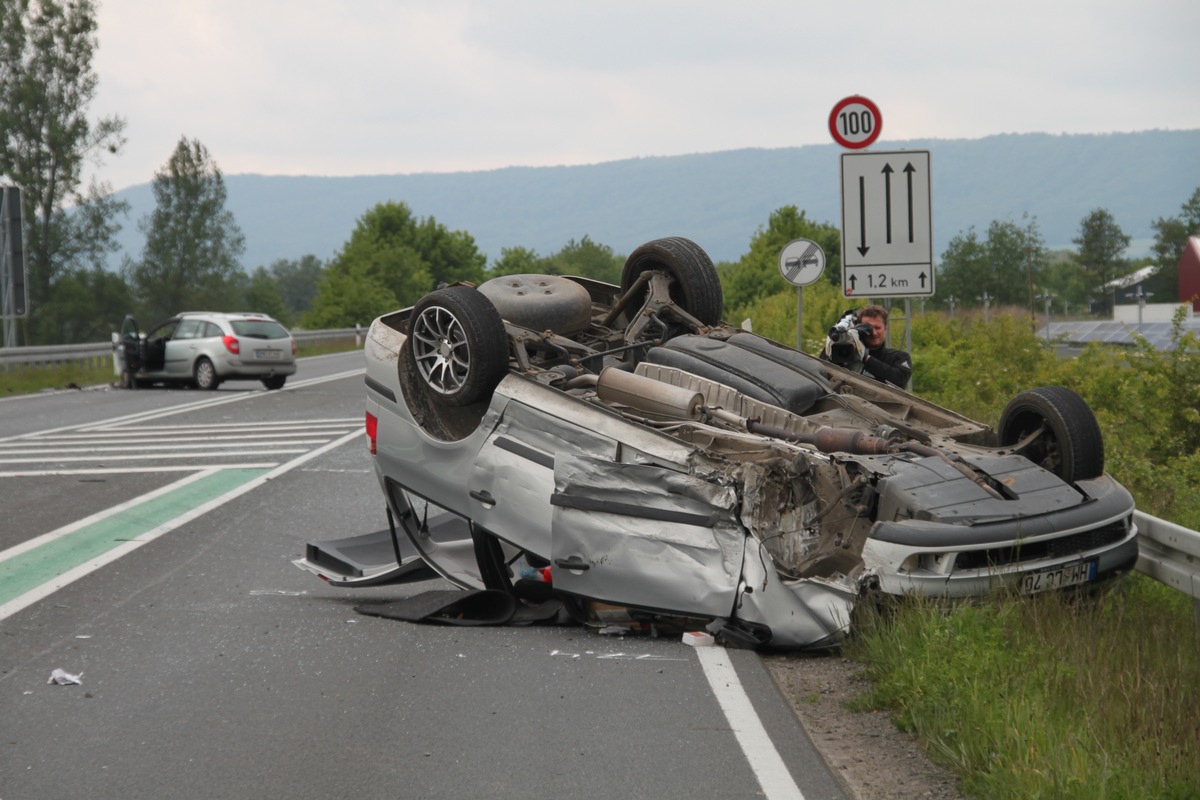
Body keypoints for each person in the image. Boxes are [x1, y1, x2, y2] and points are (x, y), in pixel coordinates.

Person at [820, 304, 912, 388]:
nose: (873, 333)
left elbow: (900, 380)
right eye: (868, 328)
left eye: (877, 328)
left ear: (886, 328)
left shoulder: (898, 357)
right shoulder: (843, 353)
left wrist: (865, 358)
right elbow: (822, 373)